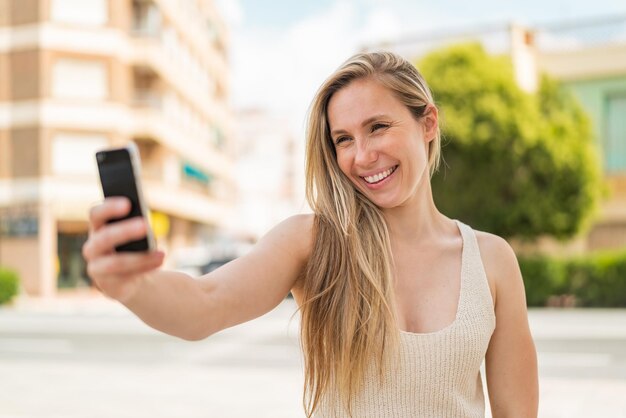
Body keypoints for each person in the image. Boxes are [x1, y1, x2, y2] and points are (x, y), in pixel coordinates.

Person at [82, 51, 539, 417]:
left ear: (428, 124)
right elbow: (205, 304)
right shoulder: (316, 241)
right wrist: (133, 285)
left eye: (377, 127)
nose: (362, 156)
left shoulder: (491, 260)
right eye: (343, 139)